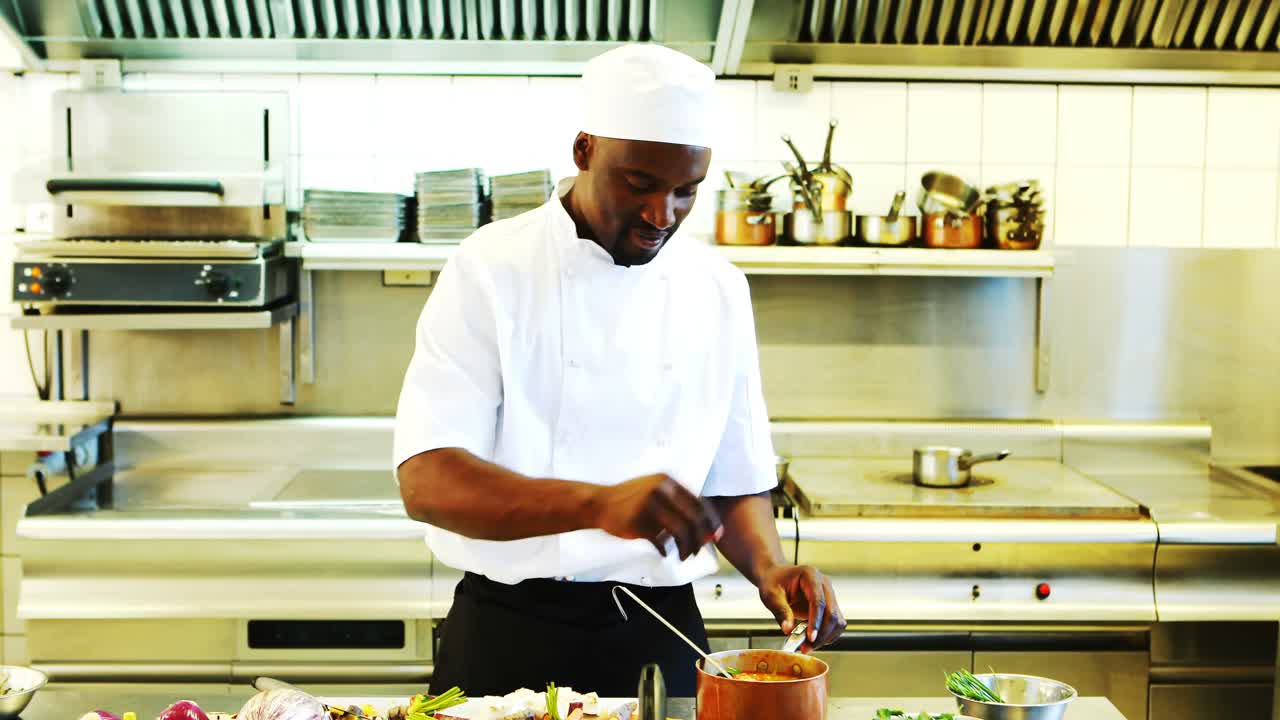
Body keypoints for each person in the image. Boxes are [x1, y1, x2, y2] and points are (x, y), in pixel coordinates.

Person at [393, 43, 845, 698]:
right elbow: (428, 481)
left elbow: (733, 476)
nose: (663, 215)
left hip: (660, 634)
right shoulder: (490, 269)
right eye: (639, 184)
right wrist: (600, 503)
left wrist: (771, 568)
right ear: (584, 151)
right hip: (506, 633)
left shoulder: (716, 287)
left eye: (686, 191)